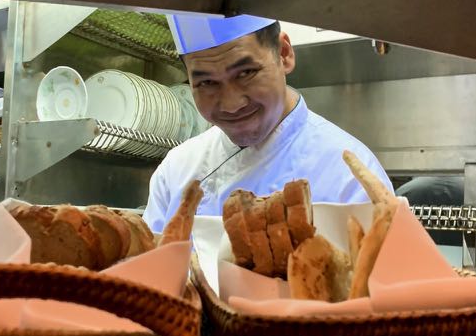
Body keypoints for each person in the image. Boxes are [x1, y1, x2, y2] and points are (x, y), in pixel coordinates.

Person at [143, 14, 393, 233]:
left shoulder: (349, 177)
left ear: (284, 54)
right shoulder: (175, 171)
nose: (231, 104)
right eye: (207, 83)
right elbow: (145, 274)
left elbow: (383, 282)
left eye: (246, 73)